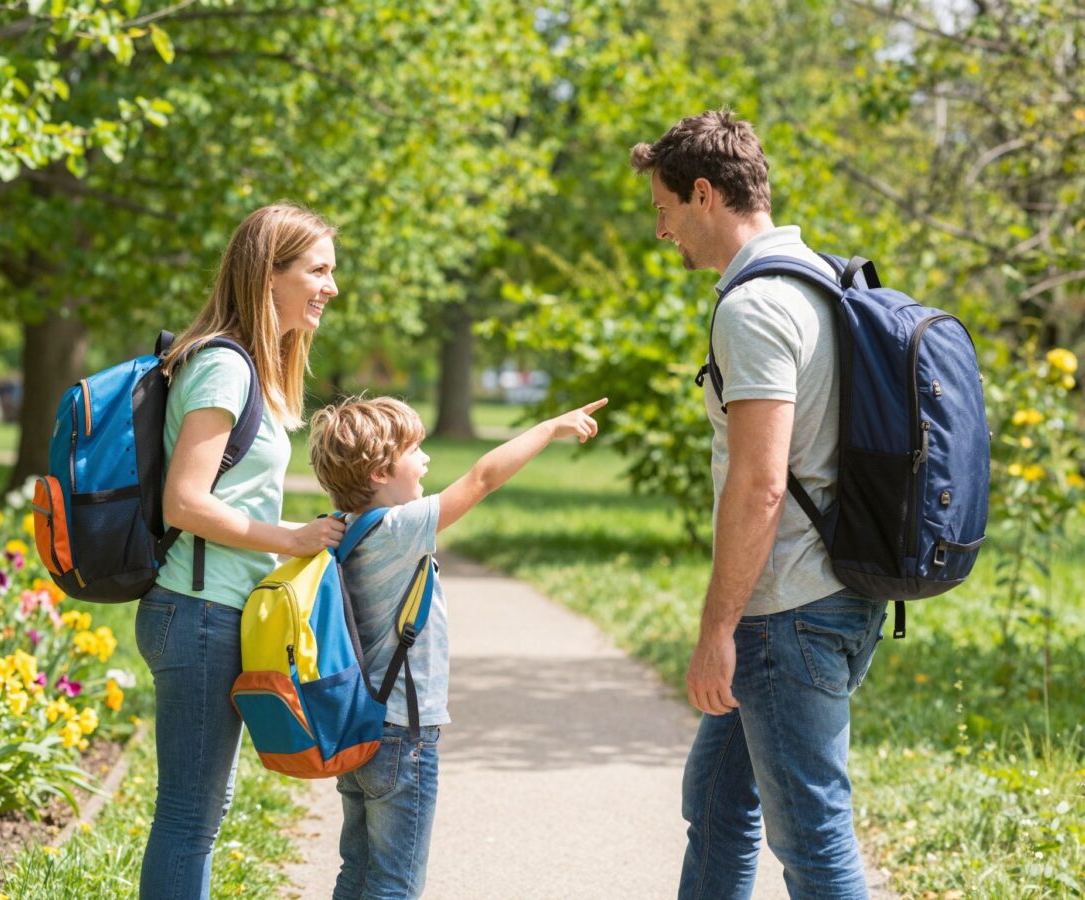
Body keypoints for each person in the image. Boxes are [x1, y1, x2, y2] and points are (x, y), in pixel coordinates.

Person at [630, 110, 889, 899]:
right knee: (715, 804)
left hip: (787, 615)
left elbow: (760, 483)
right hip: (836, 593)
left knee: (813, 846)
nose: (662, 229)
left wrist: (717, 631)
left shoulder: (754, 307)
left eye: (664, 208)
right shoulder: (823, 279)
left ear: (704, 194)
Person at [308, 394, 607, 899]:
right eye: (415, 450)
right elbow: (482, 479)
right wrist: (548, 428)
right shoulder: (398, 529)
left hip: (359, 728)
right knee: (395, 884)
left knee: (357, 870)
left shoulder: (343, 530)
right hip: (404, 734)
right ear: (380, 471)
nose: (425, 460)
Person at [136, 202, 348, 899]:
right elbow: (185, 502)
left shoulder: (247, 366)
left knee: (201, 814)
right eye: (317, 270)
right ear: (270, 274)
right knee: (189, 819)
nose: (331, 287)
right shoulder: (225, 366)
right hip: (198, 614)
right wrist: (288, 537)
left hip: (213, 612)